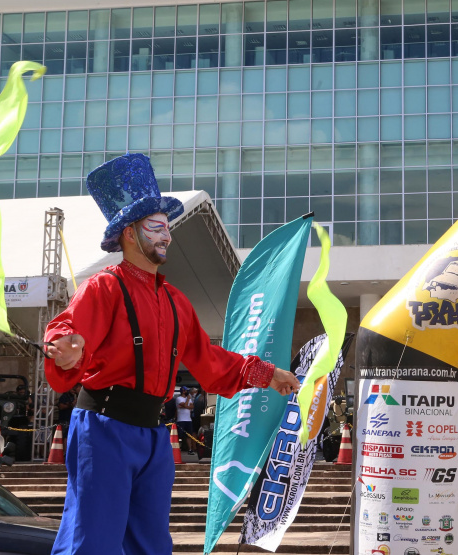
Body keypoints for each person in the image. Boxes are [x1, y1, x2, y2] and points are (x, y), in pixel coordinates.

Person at [43, 153, 299, 555]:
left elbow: (211, 363)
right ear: (129, 233)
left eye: (167, 228)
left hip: (153, 435)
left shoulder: (176, 301)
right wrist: (68, 350)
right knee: (92, 541)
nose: (167, 236)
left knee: (152, 545)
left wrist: (268, 374)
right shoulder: (102, 288)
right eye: (157, 227)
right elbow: (67, 331)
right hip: (104, 428)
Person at [175, 386, 195, 455]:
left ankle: (189, 449)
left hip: (188, 420)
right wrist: (187, 402)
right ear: (183, 391)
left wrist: (186, 406)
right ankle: (177, 448)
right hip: (181, 420)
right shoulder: (179, 398)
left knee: (189, 435)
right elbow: (185, 405)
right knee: (179, 435)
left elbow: (192, 406)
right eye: (186, 391)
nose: (187, 392)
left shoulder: (189, 399)